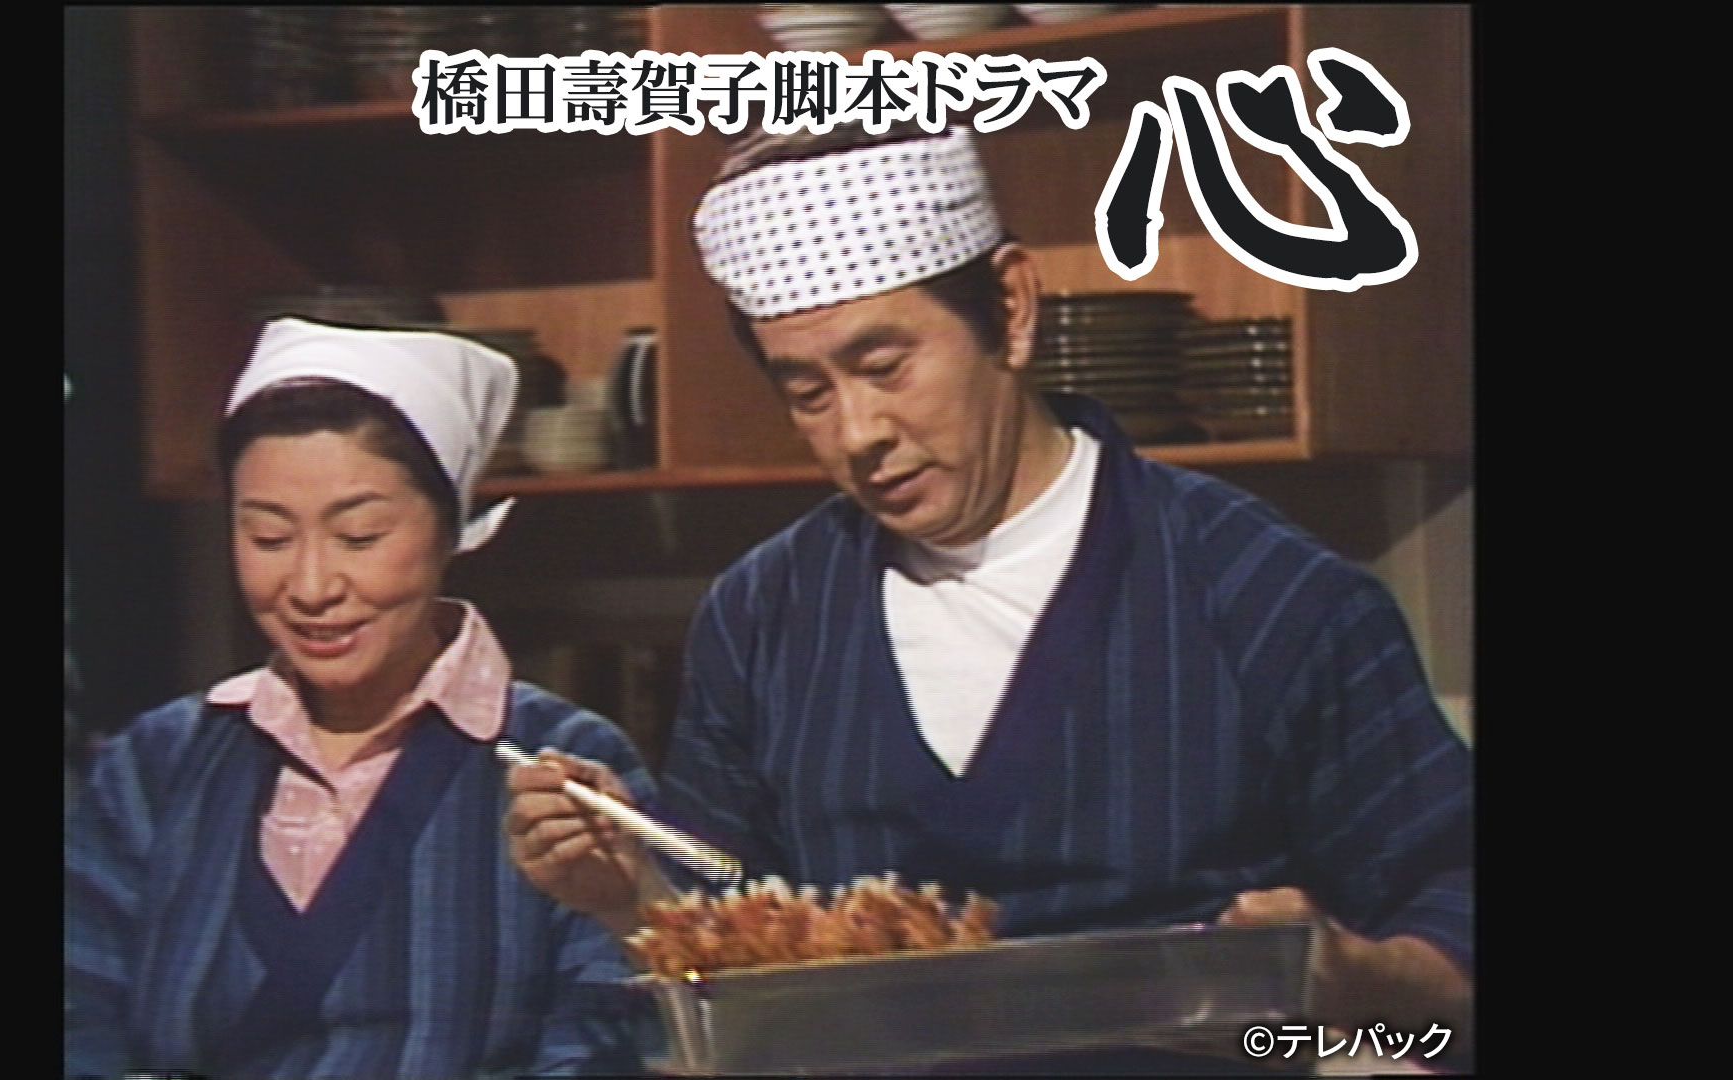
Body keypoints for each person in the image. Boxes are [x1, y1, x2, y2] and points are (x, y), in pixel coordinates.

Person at [504, 126, 1473, 1070]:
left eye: (885, 368)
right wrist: (627, 892)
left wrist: (1349, 978)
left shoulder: (1268, 596)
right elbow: (733, 963)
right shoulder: (765, 616)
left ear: (1010, 308)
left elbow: (1456, 923)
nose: (858, 432)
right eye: (807, 393)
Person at [65, 318, 652, 1079]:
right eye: (270, 538)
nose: (312, 586)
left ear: (451, 530)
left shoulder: (565, 766)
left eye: (361, 536)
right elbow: (77, 1019)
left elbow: (612, 1038)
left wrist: (632, 899)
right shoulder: (159, 766)